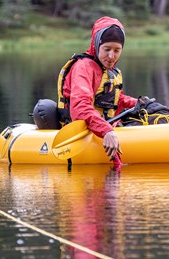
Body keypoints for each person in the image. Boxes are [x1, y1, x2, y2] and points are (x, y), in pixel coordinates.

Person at [58, 16, 137, 162]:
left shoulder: (111, 71)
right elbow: (80, 107)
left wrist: (140, 103)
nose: (111, 56)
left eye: (117, 50)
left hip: (105, 125)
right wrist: (106, 130)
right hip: (81, 132)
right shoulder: (84, 68)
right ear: (96, 45)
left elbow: (116, 99)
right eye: (107, 49)